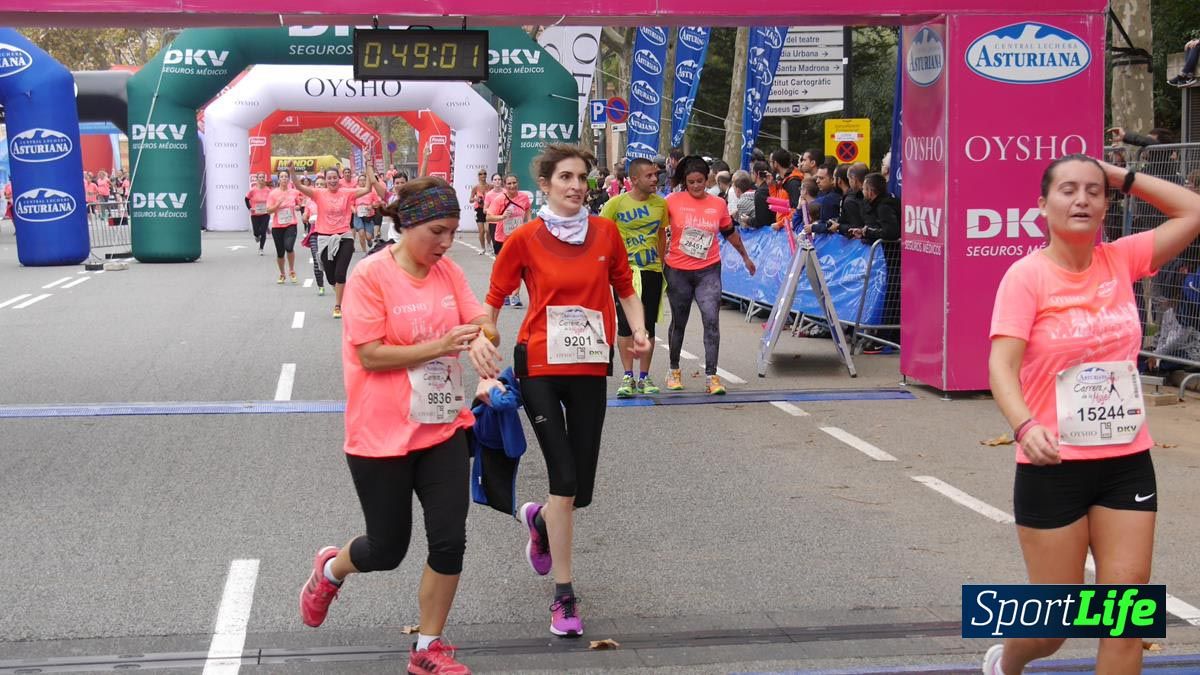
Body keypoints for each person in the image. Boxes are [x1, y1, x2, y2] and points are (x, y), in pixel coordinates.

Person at [984, 154, 1200, 675]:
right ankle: (1006, 662)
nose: (1081, 199)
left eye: (1093, 190)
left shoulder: (1122, 259)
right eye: (1067, 190)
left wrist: (1122, 174)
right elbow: (1001, 365)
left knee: (1124, 616)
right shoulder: (1026, 277)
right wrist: (1025, 425)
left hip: (1126, 462)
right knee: (1053, 626)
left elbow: (1193, 212)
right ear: (1042, 206)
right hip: (1052, 464)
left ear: (1106, 203)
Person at [299, 176, 501, 675]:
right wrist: (443, 345)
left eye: (453, 231)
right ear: (408, 224)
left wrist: (480, 337)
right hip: (380, 436)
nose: (446, 243)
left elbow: (482, 318)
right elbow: (370, 355)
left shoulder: (448, 272)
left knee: (450, 539)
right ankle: (329, 568)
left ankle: (427, 649)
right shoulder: (370, 276)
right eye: (438, 231)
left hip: (443, 428)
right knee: (387, 549)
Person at [479, 143, 651, 638]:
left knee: (582, 490)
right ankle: (564, 596)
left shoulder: (605, 233)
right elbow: (491, 305)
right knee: (563, 478)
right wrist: (486, 364)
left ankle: (538, 522)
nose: (576, 186)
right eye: (566, 178)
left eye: (582, 178)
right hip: (538, 364)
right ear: (547, 185)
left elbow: (626, 289)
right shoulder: (525, 239)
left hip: (591, 366)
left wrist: (636, 330)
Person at [663, 156, 757, 395]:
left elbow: (729, 232)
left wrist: (745, 257)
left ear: (708, 180)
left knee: (711, 321)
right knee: (679, 321)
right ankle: (674, 370)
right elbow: (657, 231)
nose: (696, 186)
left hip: (708, 270)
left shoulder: (717, 204)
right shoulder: (672, 201)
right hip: (678, 270)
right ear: (685, 181)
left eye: (700, 181)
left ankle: (711, 376)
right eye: (691, 182)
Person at [600, 157, 668, 397]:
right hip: (624, 273)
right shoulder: (615, 204)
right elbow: (602, 237)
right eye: (649, 176)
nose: (655, 180)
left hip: (651, 271)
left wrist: (660, 264)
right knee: (627, 324)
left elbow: (661, 236)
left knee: (648, 324)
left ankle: (644, 377)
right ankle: (627, 377)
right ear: (634, 179)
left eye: (656, 176)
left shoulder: (661, 205)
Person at [294, 164, 384, 318]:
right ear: (326, 180)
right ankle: (345, 296)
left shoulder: (347, 193)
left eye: (335, 177)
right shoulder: (318, 193)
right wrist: (291, 171)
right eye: (329, 178)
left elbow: (368, 188)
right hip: (324, 237)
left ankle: (338, 306)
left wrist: (368, 164)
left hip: (344, 237)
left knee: (340, 273)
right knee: (330, 276)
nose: (332, 180)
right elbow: (298, 186)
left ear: (339, 179)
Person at [485, 174, 531, 307]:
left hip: (518, 237)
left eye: (514, 183)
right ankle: (504, 294)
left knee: (519, 267)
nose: (512, 186)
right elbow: (488, 218)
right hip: (502, 238)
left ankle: (515, 296)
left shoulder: (524, 197)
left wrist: (528, 223)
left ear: (518, 183)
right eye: (509, 183)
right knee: (504, 268)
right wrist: (502, 217)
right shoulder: (500, 200)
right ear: (505, 185)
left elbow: (527, 210)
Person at [265, 169, 302, 284]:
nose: (284, 178)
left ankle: (291, 270)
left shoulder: (294, 192)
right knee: (280, 252)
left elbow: (300, 203)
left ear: (289, 178)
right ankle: (282, 273)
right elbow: (268, 211)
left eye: (286, 176)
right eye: (282, 176)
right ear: (279, 179)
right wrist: (278, 204)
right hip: (277, 226)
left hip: (291, 224)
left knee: (289, 247)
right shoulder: (273, 193)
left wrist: (298, 207)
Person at [352, 175, 383, 253]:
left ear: (367, 182)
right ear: (358, 182)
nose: (362, 182)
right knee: (361, 234)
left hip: (369, 215)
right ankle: (364, 251)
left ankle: (369, 240)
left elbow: (377, 202)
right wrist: (353, 210)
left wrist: (371, 205)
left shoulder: (371, 191)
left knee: (368, 237)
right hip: (358, 215)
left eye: (364, 180)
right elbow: (350, 203)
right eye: (360, 180)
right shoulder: (355, 191)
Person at [246, 174, 272, 256]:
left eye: (263, 177)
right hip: (255, 214)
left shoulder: (268, 190)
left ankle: (261, 248)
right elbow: (246, 199)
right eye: (260, 177)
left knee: (263, 231)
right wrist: (250, 208)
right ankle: (257, 236)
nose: (261, 179)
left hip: (265, 213)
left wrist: (270, 207)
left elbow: (272, 199)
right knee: (256, 232)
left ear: (264, 179)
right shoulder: (253, 190)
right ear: (257, 179)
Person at [470, 169, 492, 255]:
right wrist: (476, 199)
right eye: (480, 174)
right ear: (478, 176)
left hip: (488, 209)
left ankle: (489, 244)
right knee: (481, 231)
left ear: (486, 175)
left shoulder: (490, 186)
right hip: (478, 210)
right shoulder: (475, 187)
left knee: (488, 230)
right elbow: (470, 199)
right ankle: (483, 248)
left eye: (484, 174)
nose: (483, 175)